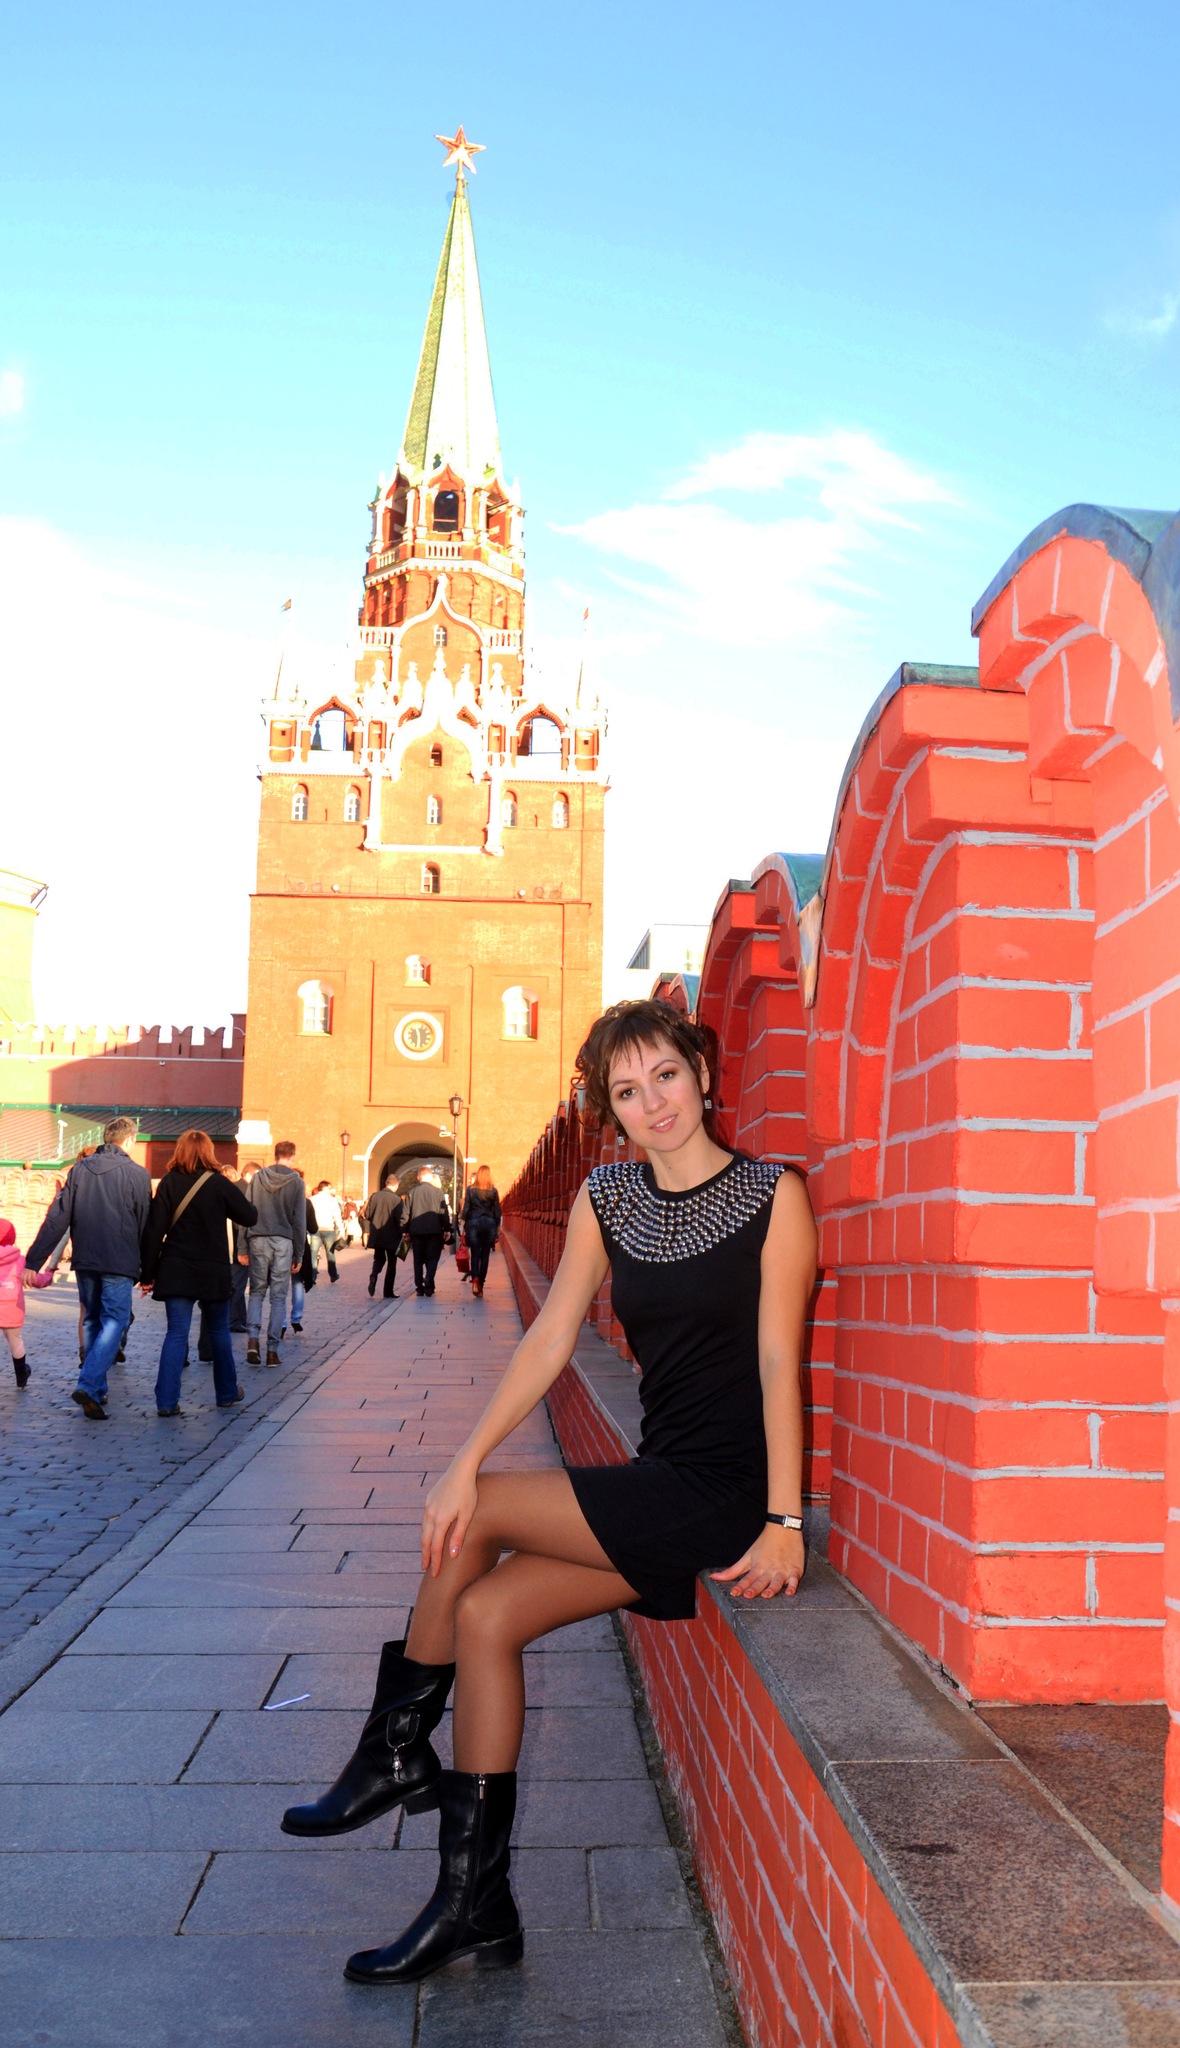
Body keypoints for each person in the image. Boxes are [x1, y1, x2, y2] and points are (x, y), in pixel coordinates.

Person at [283, 998, 816, 1988]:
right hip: (658, 1477)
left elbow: (781, 1359)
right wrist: (465, 1453)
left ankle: (393, 1753)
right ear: (609, 1112)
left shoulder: (772, 1194)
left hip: (725, 1491)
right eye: (628, 1091)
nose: (654, 1102)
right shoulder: (607, 1197)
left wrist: (786, 1521)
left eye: (666, 1075)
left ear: (703, 1073)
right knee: (484, 1616)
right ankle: (476, 1907)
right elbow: (550, 1336)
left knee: (479, 1509)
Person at [24, 1116, 152, 1420]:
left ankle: (96, 1391)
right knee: (116, 1320)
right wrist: (148, 1270)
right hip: (120, 1260)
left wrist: (33, 1260)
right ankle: (90, 1382)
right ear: (129, 1140)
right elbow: (145, 1225)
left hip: (86, 1260)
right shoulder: (138, 1174)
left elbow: (58, 1217)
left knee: (93, 1319)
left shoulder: (80, 1170)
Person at [139, 1131, 258, 1416]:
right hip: (212, 1269)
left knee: (176, 1333)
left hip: (176, 1269)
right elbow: (249, 1216)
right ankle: (226, 1392)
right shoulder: (219, 1183)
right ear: (209, 1152)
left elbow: (154, 1231)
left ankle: (166, 1401)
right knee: (219, 1331)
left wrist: (147, 1274)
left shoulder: (169, 1182)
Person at [245, 1140, 305, 1366]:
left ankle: (252, 1341)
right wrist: (299, 1254)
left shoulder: (258, 1177)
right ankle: (272, 1351)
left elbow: (246, 1211)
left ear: (275, 1154)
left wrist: (242, 1247)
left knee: (257, 1292)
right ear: (292, 1155)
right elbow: (299, 1221)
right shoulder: (296, 1181)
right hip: (283, 1241)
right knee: (278, 1297)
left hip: (258, 1238)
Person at [3, 1220, 51, 1386]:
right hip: (12, 1307)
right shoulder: (20, 1260)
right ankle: (21, 1376)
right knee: (15, 1340)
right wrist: (49, 1275)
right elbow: (36, 1279)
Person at [406, 1166, 451, 1298]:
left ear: (418, 1177)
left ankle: (419, 1288)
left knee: (418, 1259)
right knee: (433, 1258)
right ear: (430, 1177)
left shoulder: (412, 1192)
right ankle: (429, 1278)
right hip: (434, 1230)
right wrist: (447, 1228)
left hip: (416, 1231)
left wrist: (405, 1230)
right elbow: (443, 1212)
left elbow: (406, 1213)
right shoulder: (438, 1192)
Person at [460, 1167, 501, 1300]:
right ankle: (481, 1285)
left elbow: (466, 1209)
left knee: (475, 1254)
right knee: (485, 1255)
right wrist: (497, 1227)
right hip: (489, 1224)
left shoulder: (470, 1190)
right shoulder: (493, 1191)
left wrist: (463, 1223)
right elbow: (497, 1211)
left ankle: (475, 1279)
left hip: (473, 1224)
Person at [364, 1172, 406, 1300]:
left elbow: (367, 1214)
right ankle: (388, 1291)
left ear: (386, 1183)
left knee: (379, 1258)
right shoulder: (396, 1200)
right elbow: (400, 1219)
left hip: (377, 1234)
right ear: (396, 1185)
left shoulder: (374, 1196)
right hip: (392, 1236)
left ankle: (374, 1275)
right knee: (392, 1264)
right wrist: (403, 1233)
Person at [310, 1181, 344, 1283]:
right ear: (325, 1188)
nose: (331, 1190)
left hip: (315, 1229)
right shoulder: (332, 1200)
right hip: (329, 1229)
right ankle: (333, 1275)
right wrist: (341, 1230)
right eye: (329, 1188)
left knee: (313, 1253)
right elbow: (337, 1216)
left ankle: (312, 1277)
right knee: (330, 1253)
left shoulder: (312, 1199)